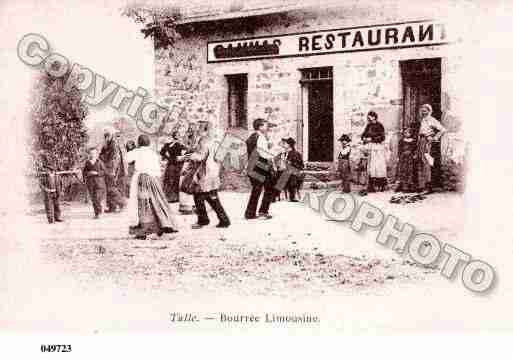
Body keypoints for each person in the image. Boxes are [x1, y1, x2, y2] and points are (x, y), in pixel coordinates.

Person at [126, 134, 178, 239]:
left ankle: (144, 230)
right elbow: (158, 170)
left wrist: (130, 149)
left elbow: (128, 159)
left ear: (139, 143)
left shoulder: (137, 152)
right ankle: (163, 224)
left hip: (142, 178)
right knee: (157, 202)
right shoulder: (153, 153)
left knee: (143, 204)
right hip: (154, 179)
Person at [179, 122, 230, 229]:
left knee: (199, 195)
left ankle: (204, 220)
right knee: (211, 196)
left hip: (204, 172)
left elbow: (200, 157)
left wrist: (185, 157)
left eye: (200, 129)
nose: (198, 131)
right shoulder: (216, 140)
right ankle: (223, 220)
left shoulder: (204, 140)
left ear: (205, 130)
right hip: (213, 171)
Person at [244, 118, 276, 220]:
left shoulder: (252, 137)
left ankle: (250, 213)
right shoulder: (261, 137)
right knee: (269, 188)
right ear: (260, 127)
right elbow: (264, 154)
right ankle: (262, 211)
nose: (267, 128)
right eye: (265, 125)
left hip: (252, 165)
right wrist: (273, 152)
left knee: (256, 190)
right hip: (261, 166)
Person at [415, 103, 446, 193]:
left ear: (429, 111)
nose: (423, 112)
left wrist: (434, 137)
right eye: (422, 111)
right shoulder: (423, 120)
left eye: (425, 111)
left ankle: (428, 187)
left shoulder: (432, 120)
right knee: (420, 162)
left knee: (426, 162)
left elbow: (443, 129)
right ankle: (421, 185)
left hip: (427, 143)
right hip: (421, 142)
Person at [100, 127, 127, 212]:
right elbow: (102, 154)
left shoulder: (114, 144)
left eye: (107, 135)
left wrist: (112, 171)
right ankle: (112, 207)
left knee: (111, 188)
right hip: (108, 168)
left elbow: (115, 159)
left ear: (111, 135)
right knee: (109, 187)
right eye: (105, 135)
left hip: (113, 169)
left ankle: (122, 203)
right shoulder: (107, 144)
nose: (106, 137)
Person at [360, 111, 387, 194]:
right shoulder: (368, 125)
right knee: (371, 166)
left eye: (370, 117)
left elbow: (382, 137)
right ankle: (371, 185)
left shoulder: (379, 125)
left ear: (374, 117)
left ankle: (381, 185)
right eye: (368, 117)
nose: (368, 118)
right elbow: (363, 135)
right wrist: (364, 138)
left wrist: (371, 139)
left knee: (378, 166)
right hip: (370, 147)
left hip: (377, 147)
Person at [160, 129, 188, 203]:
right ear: (174, 136)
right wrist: (168, 158)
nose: (177, 137)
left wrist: (170, 158)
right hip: (172, 164)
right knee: (170, 180)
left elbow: (186, 153)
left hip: (176, 165)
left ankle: (174, 197)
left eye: (178, 135)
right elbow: (162, 152)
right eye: (176, 135)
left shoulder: (180, 145)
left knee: (175, 180)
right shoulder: (170, 144)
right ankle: (170, 197)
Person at [276, 137, 304, 202]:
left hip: (293, 174)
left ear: (289, 145)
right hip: (282, 172)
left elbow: (301, 166)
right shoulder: (282, 154)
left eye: (285, 143)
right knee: (274, 175)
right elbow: (277, 163)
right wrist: (278, 164)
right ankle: (275, 195)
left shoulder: (296, 154)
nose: (283, 144)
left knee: (290, 176)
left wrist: (291, 163)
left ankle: (292, 196)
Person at [38, 153, 63, 224]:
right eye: (49, 169)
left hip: (56, 191)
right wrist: (46, 190)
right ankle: (51, 219)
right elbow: (41, 184)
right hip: (48, 192)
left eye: (52, 169)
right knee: (49, 206)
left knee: (57, 205)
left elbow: (60, 183)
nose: (50, 170)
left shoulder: (56, 175)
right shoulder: (44, 176)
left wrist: (60, 190)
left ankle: (57, 217)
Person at [82, 147, 106, 219]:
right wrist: (88, 173)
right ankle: (96, 213)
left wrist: (97, 173)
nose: (92, 155)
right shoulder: (87, 162)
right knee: (93, 199)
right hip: (90, 183)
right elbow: (84, 172)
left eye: (94, 153)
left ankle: (99, 211)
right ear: (89, 154)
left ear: (97, 154)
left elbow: (104, 172)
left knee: (97, 198)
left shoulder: (100, 162)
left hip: (99, 183)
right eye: (91, 153)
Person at [395, 127, 417, 193]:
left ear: (410, 133)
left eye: (408, 133)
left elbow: (415, 149)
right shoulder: (401, 141)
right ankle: (403, 186)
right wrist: (398, 157)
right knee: (403, 170)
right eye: (405, 133)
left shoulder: (413, 141)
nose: (406, 134)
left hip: (410, 158)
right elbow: (399, 150)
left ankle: (410, 185)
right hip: (403, 158)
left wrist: (414, 155)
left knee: (410, 171)